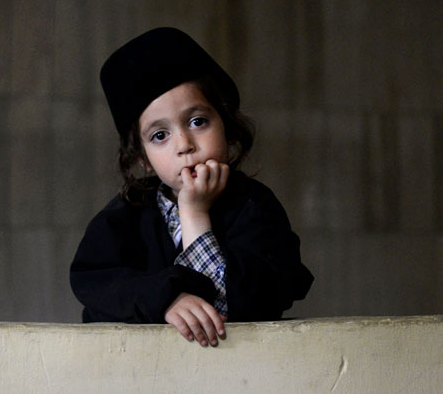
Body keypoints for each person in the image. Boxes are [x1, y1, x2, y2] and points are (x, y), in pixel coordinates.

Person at [70, 27, 313, 347]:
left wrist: (194, 214)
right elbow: (98, 286)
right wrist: (166, 298)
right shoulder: (122, 217)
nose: (184, 144)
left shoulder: (255, 206)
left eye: (198, 121)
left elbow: (246, 304)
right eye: (160, 135)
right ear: (143, 158)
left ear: (225, 125)